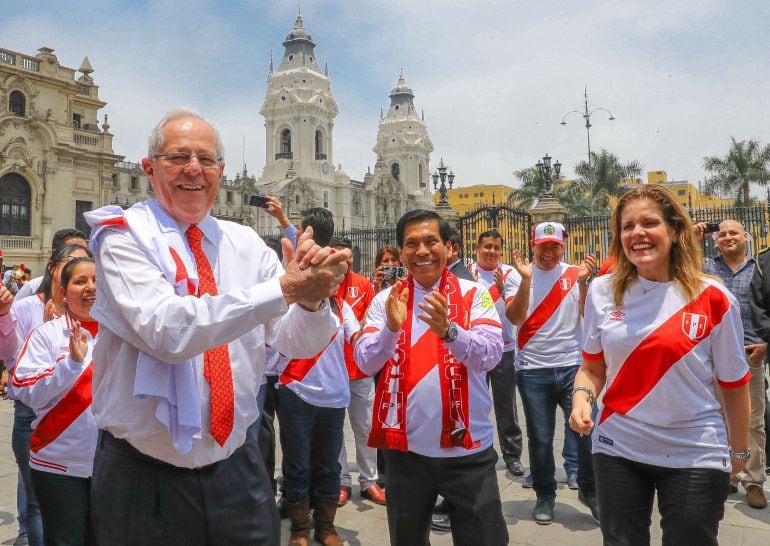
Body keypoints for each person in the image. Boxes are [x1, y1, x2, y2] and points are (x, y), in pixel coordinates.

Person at [83, 108, 350, 546]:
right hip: (143, 475)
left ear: (221, 172)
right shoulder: (123, 237)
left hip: (237, 464)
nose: (194, 169)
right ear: (149, 168)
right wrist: (285, 288)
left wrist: (313, 299)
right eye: (177, 157)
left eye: (206, 160)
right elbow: (170, 333)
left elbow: (295, 343)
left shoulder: (245, 243)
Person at [570, 185, 750, 545]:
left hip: (695, 450)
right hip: (618, 446)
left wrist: (740, 451)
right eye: (627, 226)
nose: (636, 233)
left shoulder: (713, 297)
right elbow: (592, 366)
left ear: (675, 230)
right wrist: (581, 398)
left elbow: (734, 384)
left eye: (648, 223)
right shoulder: (603, 292)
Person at [356, 209, 508, 546]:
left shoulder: (474, 295)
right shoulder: (386, 300)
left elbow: (491, 355)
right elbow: (365, 361)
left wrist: (450, 332)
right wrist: (390, 329)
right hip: (406, 454)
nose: (421, 251)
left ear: (449, 248)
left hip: (467, 451)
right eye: (411, 244)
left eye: (430, 242)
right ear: (401, 251)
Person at [506, 221, 598, 525]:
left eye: (555, 246)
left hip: (574, 368)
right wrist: (524, 280)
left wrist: (584, 283)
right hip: (533, 371)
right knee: (541, 439)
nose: (549, 252)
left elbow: (587, 315)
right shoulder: (516, 275)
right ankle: (545, 494)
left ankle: (590, 490)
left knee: (586, 432)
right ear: (533, 245)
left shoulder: (575, 274)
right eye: (543, 246)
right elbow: (515, 317)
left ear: (563, 246)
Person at [7, 242, 92, 546]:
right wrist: (71, 364)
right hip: (59, 466)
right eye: (80, 281)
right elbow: (22, 387)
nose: (89, 288)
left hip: (113, 465)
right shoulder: (48, 334)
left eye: (96, 281)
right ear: (64, 290)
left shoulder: (121, 335)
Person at [697, 219, 766, 509]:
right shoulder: (706, 268)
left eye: (733, 233)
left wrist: (767, 345)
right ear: (716, 240)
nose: (727, 238)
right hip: (712, 356)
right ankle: (727, 473)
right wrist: (692, 237)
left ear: (746, 237)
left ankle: (753, 481)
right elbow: (675, 266)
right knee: (716, 417)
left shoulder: (760, 268)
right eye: (722, 234)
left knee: (752, 420)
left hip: (749, 354)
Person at [330, 236, 385, 508]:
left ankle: (369, 481)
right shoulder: (323, 284)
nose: (345, 261)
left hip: (359, 370)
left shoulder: (363, 286)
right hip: (330, 372)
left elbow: (368, 325)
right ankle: (341, 480)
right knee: (335, 430)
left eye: (349, 257)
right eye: (339, 256)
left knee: (364, 427)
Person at [472, 230, 525, 477]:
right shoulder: (467, 273)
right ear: (478, 249)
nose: (491, 251)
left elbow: (517, 309)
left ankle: (512, 455)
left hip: (504, 348)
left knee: (506, 404)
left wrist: (503, 289)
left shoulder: (512, 273)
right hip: (476, 350)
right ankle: (478, 452)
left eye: (496, 247)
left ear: (501, 251)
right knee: (475, 403)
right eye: (487, 247)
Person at [15, 228, 89, 301]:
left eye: (85, 253)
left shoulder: (93, 291)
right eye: (73, 256)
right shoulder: (32, 288)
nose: (81, 262)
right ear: (55, 255)